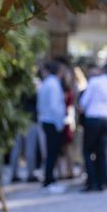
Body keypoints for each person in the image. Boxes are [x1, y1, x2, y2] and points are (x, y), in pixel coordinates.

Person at [79, 62, 107, 191]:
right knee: (102, 152)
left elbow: (83, 102)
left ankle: (92, 181)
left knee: (87, 151)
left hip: (93, 119)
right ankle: (102, 181)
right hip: (106, 120)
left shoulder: (94, 82)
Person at [37, 61, 66, 189]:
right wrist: (59, 123)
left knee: (51, 152)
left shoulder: (47, 83)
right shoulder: (53, 84)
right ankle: (49, 180)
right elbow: (55, 107)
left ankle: (49, 178)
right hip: (52, 122)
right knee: (52, 152)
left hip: (46, 120)